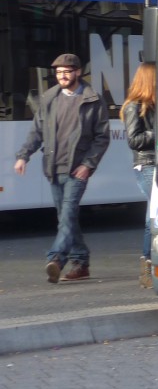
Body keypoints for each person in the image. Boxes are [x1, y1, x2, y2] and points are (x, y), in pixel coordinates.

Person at [14, 53, 110, 283]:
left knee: (67, 215)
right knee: (66, 218)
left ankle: (56, 259)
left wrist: (88, 164)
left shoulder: (92, 99)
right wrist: (23, 156)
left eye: (67, 72)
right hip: (54, 167)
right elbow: (37, 131)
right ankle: (81, 262)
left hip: (77, 169)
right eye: (58, 72)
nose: (62, 76)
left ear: (78, 72)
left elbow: (102, 137)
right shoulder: (50, 98)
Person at [122, 61, 157, 288]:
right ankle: (148, 265)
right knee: (154, 214)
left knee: (153, 215)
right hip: (146, 164)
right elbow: (134, 140)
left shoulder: (154, 105)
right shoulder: (134, 106)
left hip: (156, 164)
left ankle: (149, 264)